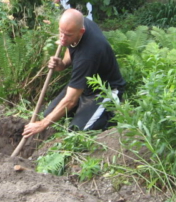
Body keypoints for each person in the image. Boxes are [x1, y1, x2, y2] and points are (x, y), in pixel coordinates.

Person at [23, 8, 125, 137]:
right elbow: (71, 46)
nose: (63, 38)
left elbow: (70, 100)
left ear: (81, 31)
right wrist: (63, 64)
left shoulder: (88, 56)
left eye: (68, 35)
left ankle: (107, 117)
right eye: (61, 32)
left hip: (104, 90)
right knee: (48, 114)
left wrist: (42, 124)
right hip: (85, 84)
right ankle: (83, 109)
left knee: (77, 131)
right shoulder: (78, 25)